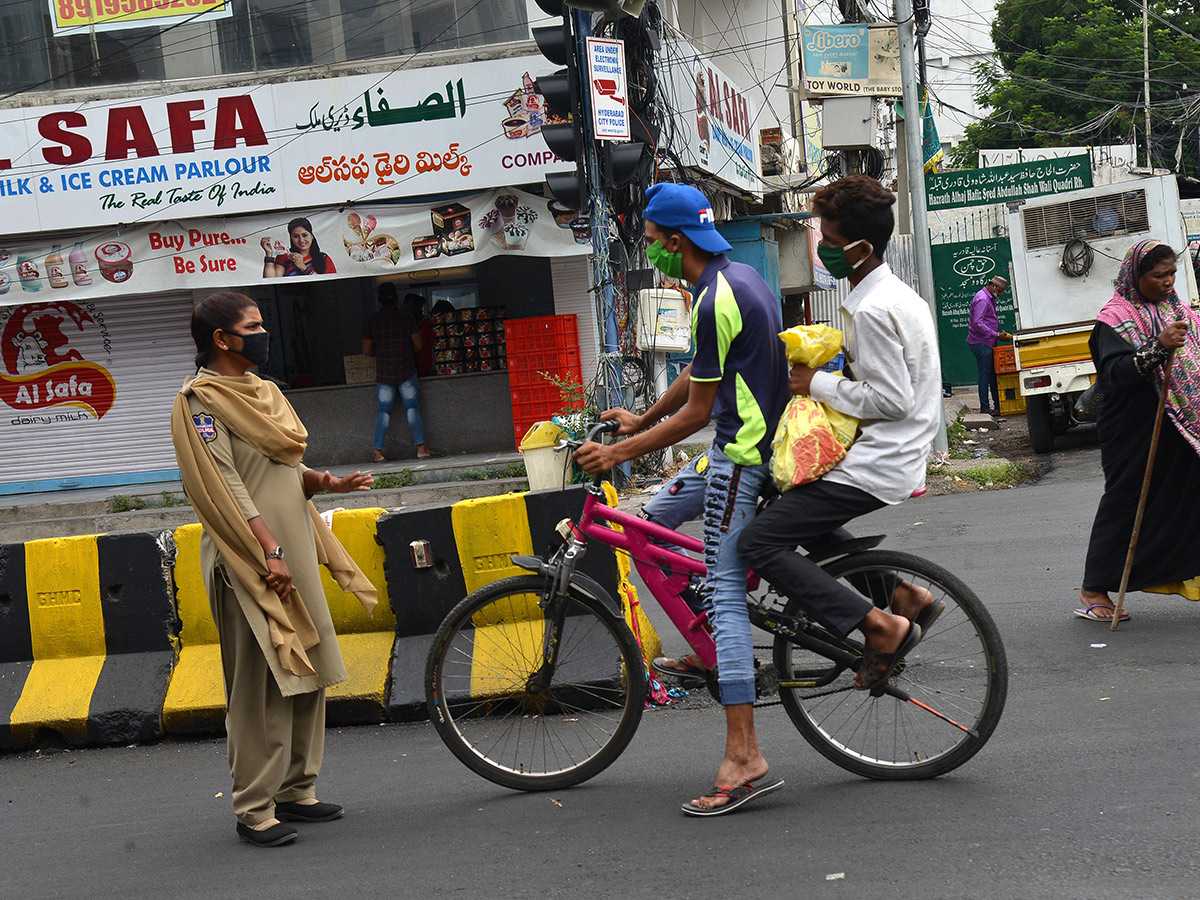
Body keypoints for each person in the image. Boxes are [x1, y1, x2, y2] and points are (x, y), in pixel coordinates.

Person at [574, 181, 789, 817]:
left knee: (724, 591)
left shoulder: (712, 299)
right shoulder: (739, 279)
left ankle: (744, 752)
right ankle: (707, 640)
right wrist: (639, 421)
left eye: (649, 241)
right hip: (732, 445)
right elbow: (703, 373)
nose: (651, 253)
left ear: (674, 240)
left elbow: (699, 409)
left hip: (739, 459)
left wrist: (618, 454)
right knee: (651, 521)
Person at [170, 291, 378, 848]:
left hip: (292, 552)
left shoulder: (266, 393)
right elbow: (224, 485)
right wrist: (268, 550)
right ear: (222, 339)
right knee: (262, 682)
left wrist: (328, 483)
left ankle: (296, 789)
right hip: (251, 559)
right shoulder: (200, 403)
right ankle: (254, 808)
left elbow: (285, 467)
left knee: (307, 666)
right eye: (254, 326)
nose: (265, 334)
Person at [737, 175, 942, 697]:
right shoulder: (893, 295)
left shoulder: (873, 310)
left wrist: (817, 383)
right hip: (891, 450)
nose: (822, 249)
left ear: (861, 248)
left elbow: (892, 399)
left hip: (882, 459)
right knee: (792, 517)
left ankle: (878, 625)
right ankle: (901, 595)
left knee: (759, 541)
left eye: (828, 240)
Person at [1075, 239, 1200, 622]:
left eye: (1172, 274)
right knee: (1128, 503)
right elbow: (1114, 375)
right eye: (1158, 275)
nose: (1167, 282)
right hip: (1134, 429)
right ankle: (1094, 587)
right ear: (1136, 275)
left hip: (1183, 427)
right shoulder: (1113, 318)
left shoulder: (1179, 310)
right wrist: (1158, 347)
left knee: (1188, 501)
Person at [364, 283, 430, 461]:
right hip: (406, 369)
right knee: (412, 408)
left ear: (379, 300)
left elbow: (366, 350)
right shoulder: (406, 318)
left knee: (383, 411)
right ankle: (421, 448)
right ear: (396, 298)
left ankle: (377, 451)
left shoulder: (373, 321)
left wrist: (380, 354)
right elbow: (419, 345)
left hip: (384, 372)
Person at [966, 275, 1011, 414]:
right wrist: (996, 334)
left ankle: (997, 406)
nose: (1001, 294)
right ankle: (985, 408)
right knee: (985, 374)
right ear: (993, 286)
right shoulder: (983, 299)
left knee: (991, 374)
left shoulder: (988, 298)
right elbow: (977, 323)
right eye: (1000, 290)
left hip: (987, 341)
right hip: (981, 342)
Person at [261, 217, 336, 277]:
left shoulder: (323, 258)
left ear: (312, 236)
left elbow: (330, 284)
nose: (301, 240)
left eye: (305, 235)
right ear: (291, 238)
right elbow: (271, 281)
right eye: (296, 236)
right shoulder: (285, 257)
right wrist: (269, 254)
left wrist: (303, 267)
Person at [404, 293, 434, 378]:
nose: (420, 311)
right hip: (410, 369)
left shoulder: (426, 323)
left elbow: (432, 346)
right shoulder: (402, 324)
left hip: (425, 367)